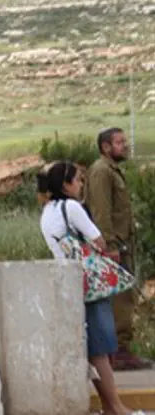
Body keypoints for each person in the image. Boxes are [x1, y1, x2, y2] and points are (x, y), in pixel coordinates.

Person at [37, 162, 143, 415]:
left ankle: (110, 406)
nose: (82, 184)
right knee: (100, 349)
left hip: (68, 283)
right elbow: (98, 239)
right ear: (66, 184)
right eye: (78, 180)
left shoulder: (47, 212)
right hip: (90, 285)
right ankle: (116, 407)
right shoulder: (71, 207)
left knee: (93, 350)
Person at [84, 127, 151, 371]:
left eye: (125, 141)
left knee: (125, 298)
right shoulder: (101, 172)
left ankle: (121, 350)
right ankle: (120, 352)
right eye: (119, 142)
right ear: (105, 147)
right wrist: (110, 246)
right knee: (120, 300)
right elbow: (101, 212)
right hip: (115, 248)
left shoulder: (112, 171)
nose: (125, 145)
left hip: (123, 245)